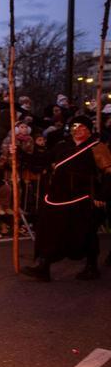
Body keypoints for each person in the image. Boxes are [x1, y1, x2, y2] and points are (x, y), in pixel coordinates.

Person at [21, 116, 111, 281]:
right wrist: (19, 153)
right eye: (74, 127)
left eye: (82, 127)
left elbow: (108, 172)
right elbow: (43, 159)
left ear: (89, 129)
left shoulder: (97, 147)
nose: (77, 130)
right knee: (48, 230)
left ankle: (91, 267)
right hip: (57, 196)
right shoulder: (63, 146)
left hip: (82, 197)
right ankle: (43, 267)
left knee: (86, 232)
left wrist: (102, 194)